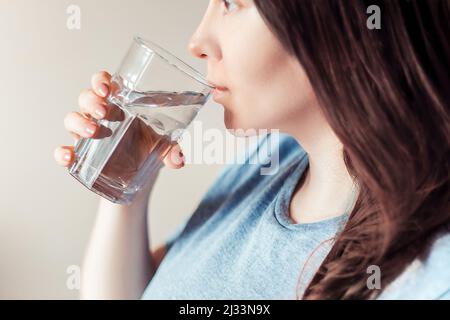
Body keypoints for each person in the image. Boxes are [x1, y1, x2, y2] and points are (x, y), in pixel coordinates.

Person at [54, 0, 450, 299]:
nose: (197, 41)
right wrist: (127, 187)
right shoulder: (269, 160)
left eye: (231, 2)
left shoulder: (433, 275)